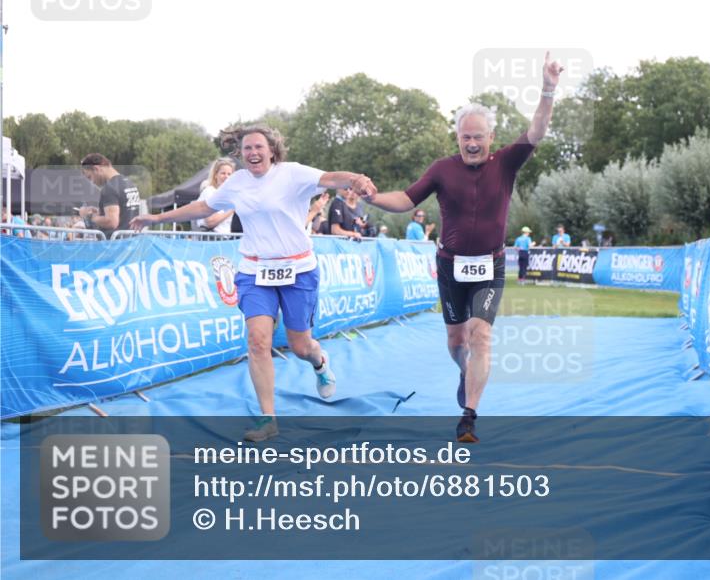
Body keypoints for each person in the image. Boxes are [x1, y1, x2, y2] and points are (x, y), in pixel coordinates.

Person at [130, 124, 377, 442]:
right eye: (247, 148)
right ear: (240, 153)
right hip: (254, 271)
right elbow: (205, 207)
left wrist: (354, 179)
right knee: (258, 341)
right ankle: (267, 419)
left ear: (272, 150)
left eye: (259, 147)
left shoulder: (292, 174)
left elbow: (329, 178)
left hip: (298, 269)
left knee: (300, 345)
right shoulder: (237, 183)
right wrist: (157, 218)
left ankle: (319, 361)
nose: (253, 153)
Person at [368, 51, 564, 443]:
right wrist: (372, 198)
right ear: (457, 138)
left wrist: (547, 89)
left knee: (481, 336)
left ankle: (469, 415)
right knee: (457, 341)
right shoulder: (442, 169)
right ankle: (465, 371)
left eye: (478, 136)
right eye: (465, 137)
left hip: (490, 265)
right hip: (449, 265)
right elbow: (406, 200)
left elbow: (538, 131)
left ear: (491, 138)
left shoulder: (506, 162)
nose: (471, 143)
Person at [78, 153, 142, 239]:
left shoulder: (110, 188)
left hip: (115, 246)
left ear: (96, 169)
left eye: (90, 177)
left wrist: (90, 217)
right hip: (132, 241)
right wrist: (100, 212)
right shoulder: (129, 183)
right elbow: (124, 213)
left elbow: (112, 221)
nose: (92, 182)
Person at [194, 158, 237, 233]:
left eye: (229, 174)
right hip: (211, 239)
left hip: (225, 240)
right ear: (215, 175)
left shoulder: (230, 196)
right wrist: (232, 208)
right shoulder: (210, 192)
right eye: (223, 173)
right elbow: (210, 221)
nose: (226, 176)